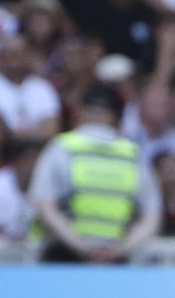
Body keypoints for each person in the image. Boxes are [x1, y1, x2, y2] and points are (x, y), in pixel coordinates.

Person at [29, 81, 161, 263]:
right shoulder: (133, 154)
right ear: (117, 117)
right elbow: (152, 217)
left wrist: (83, 247)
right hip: (114, 262)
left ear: (80, 112)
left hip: (66, 261)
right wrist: (119, 249)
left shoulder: (62, 148)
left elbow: (43, 205)